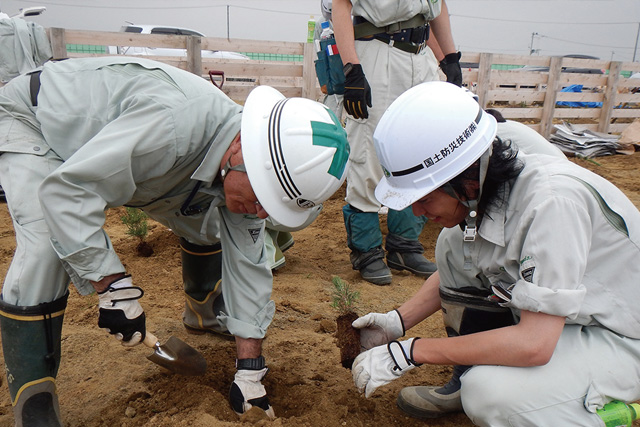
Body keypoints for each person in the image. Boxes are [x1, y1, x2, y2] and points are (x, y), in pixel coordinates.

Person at [0, 56, 350, 426]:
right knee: (44, 246)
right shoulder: (171, 130)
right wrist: (112, 287)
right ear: (240, 151)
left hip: (122, 155)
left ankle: (201, 308)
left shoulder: (245, 165)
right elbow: (67, 193)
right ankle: (33, 394)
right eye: (264, 197)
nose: (262, 213)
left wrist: (250, 370)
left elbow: (249, 264)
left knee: (209, 221)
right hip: (36, 121)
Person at [350, 81, 640, 425]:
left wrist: (412, 352)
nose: (416, 213)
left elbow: (534, 344)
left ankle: (605, 415)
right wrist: (397, 323)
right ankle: (469, 373)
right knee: (452, 244)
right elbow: (471, 263)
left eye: (424, 198)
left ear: (466, 180)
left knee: (490, 395)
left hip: (621, 336)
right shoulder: (492, 181)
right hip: (572, 321)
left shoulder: (551, 204)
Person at [332, 0, 462, 285]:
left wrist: (449, 58)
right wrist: (352, 68)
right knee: (369, 152)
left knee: (418, 152)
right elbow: (340, 6)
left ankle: (404, 246)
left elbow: (436, 7)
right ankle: (366, 251)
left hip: (420, 57)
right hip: (377, 53)